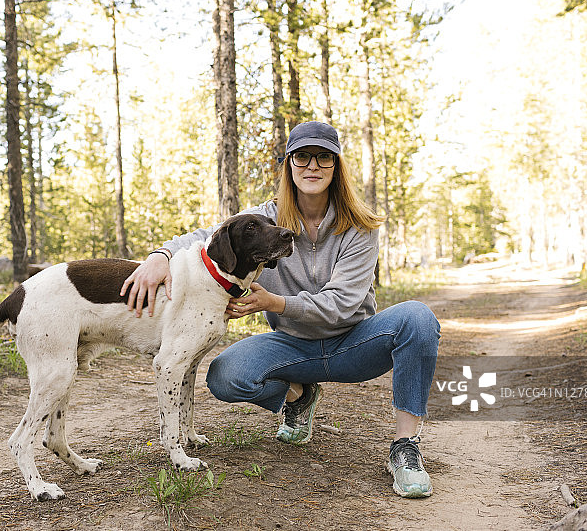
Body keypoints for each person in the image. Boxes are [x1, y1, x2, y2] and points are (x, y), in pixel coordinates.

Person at [121, 121, 440, 498]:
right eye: (302, 156)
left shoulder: (360, 226)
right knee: (225, 374)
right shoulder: (266, 218)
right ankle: (299, 397)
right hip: (292, 347)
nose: (313, 166)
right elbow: (204, 238)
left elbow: (340, 305)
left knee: (418, 318)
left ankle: (405, 447)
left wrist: (275, 303)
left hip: (354, 344)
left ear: (336, 167)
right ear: (289, 165)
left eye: (324, 157)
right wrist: (160, 255)